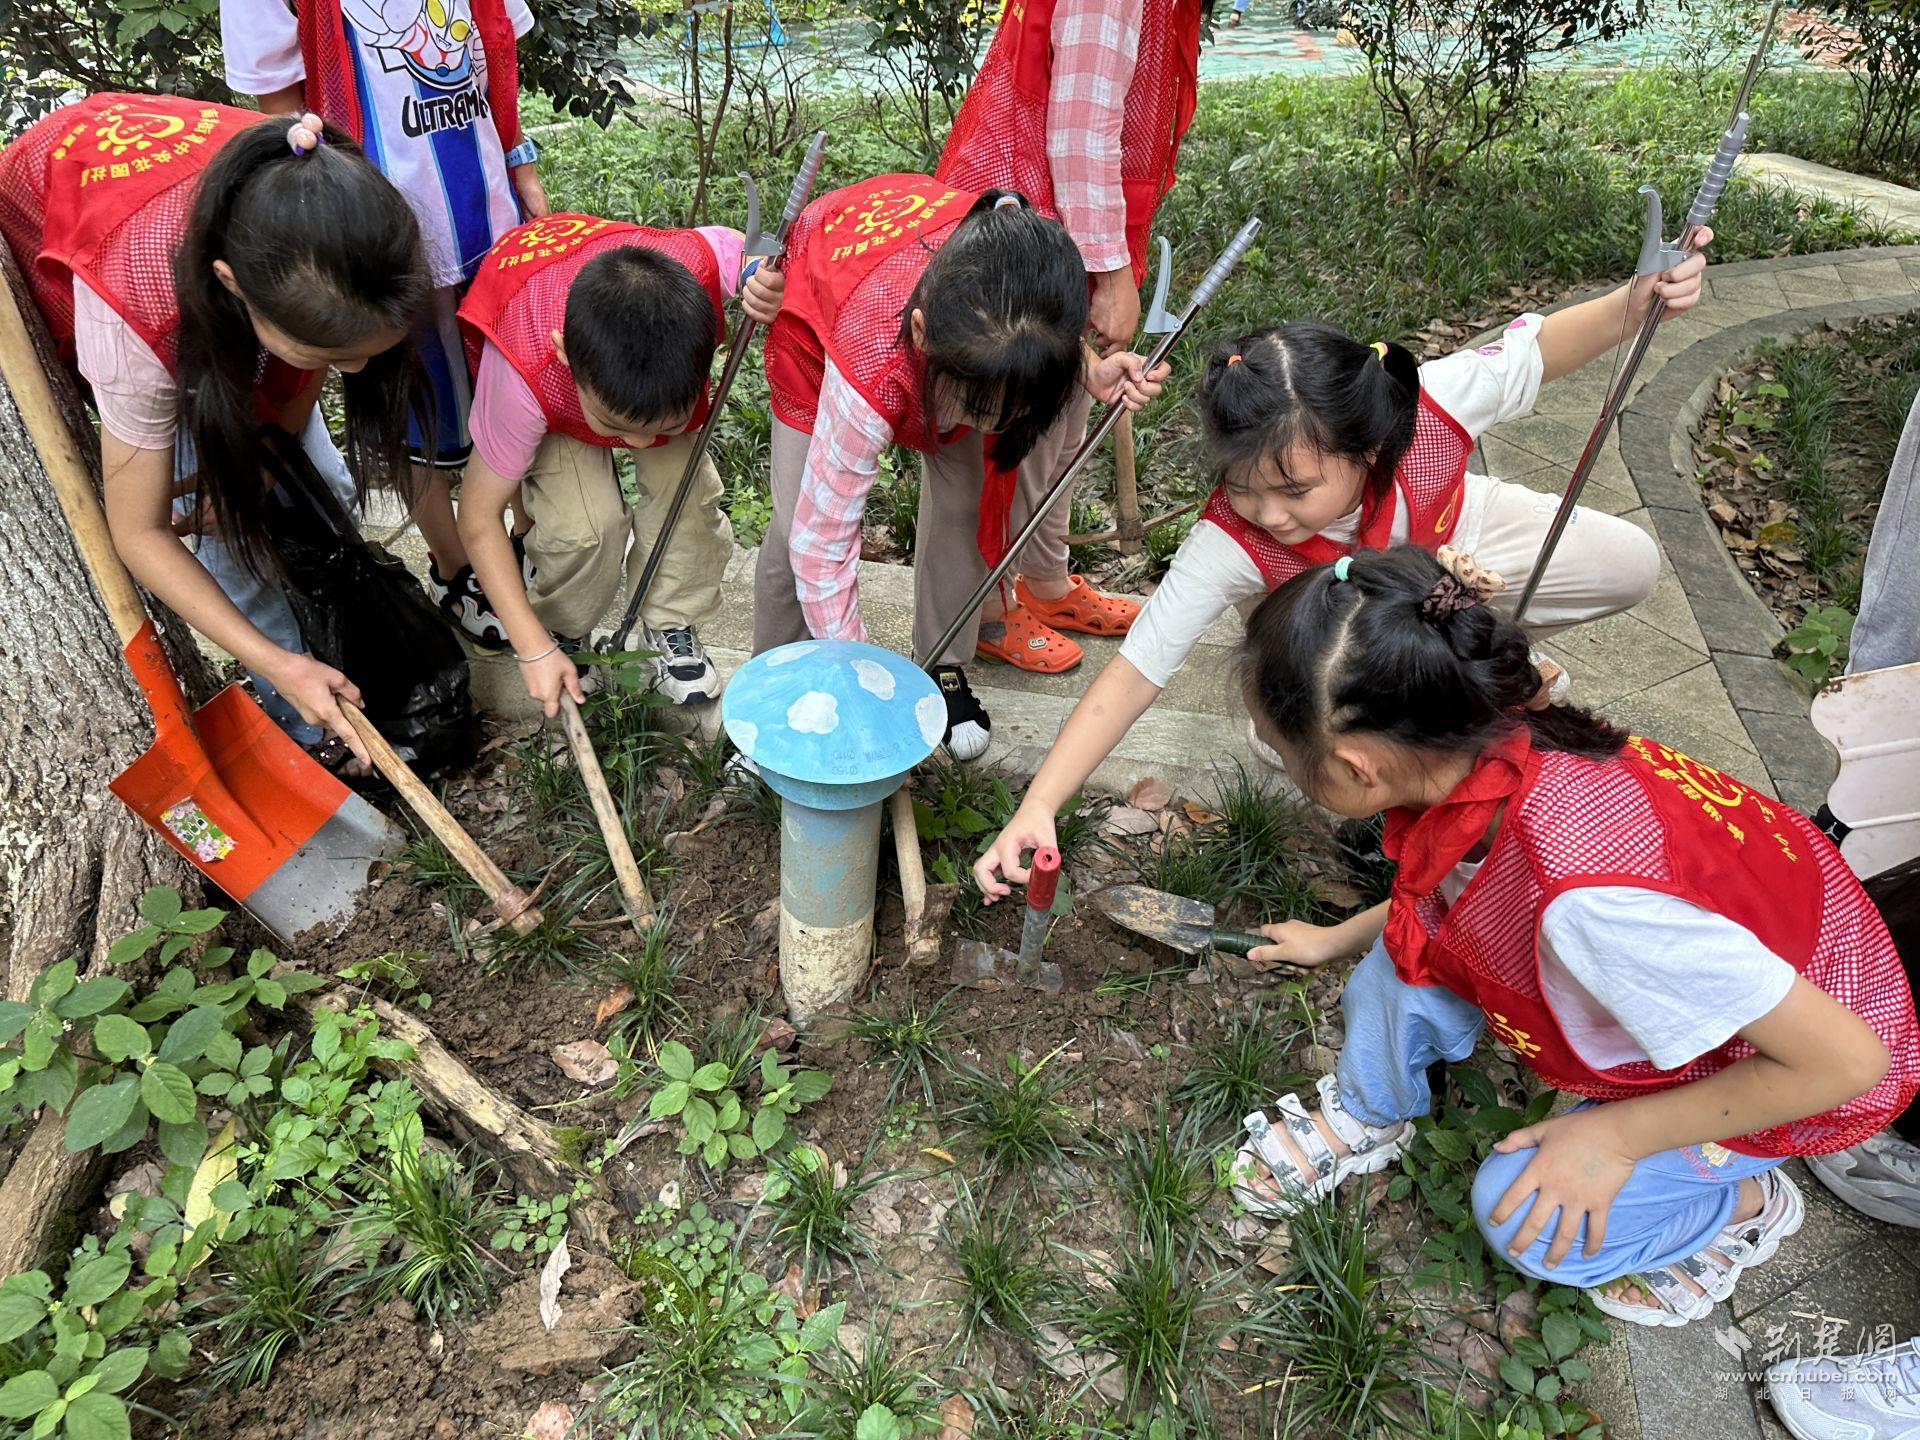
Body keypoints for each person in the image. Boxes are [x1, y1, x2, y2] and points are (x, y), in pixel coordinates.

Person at [1215, 545, 1917, 1327]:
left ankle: (1745, 1201)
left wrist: (1615, 1140)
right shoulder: (1496, 731)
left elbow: (1850, 1062)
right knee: (1414, 944)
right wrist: (1335, 938)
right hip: (1737, 966)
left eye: (1282, 754)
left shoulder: (1595, 900)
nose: (1280, 762)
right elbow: (1455, 889)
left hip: (1782, 1057)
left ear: (1359, 766)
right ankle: (1370, 1108)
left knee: (1527, 1223)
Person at [975, 242, 1715, 891]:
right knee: (1323, 746)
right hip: (1332, 625)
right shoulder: (1233, 542)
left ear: (1368, 449)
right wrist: (1039, 803)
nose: (1266, 512)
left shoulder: (1427, 410)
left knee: (1630, 564)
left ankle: (1464, 636)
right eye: (1242, 484)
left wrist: (1637, 300)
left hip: (1452, 539)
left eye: (1294, 490)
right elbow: (1133, 674)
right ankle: (1345, 689)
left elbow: (1544, 347)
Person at [0, 96, 432, 771]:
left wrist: (264, 466)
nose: (356, 372)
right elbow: (138, 533)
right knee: (233, 551)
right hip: (105, 253)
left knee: (322, 491)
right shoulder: (135, 318)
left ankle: (336, 662)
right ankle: (307, 724)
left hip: (223, 281)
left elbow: (315, 359)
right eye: (326, 355)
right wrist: (281, 664)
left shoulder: (329, 207)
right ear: (232, 286)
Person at [758, 175, 1166, 759]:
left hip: (957, 341)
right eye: (978, 411)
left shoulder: (1033, 288)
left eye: (1008, 414)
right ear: (923, 336)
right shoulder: (869, 365)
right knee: (794, 529)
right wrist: (863, 682)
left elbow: (1036, 342)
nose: (985, 427)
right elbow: (821, 546)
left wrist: (1087, 369)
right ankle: (775, 690)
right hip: (822, 314)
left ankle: (942, 663)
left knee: (964, 503)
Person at [221, 0, 546, 648]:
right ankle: (455, 569)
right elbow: (283, 112)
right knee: (406, 413)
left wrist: (523, 165)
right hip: (378, 247)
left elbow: (497, 48)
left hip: (489, 213)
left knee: (508, 398)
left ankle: (518, 547)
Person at [933, 0, 1203, 673]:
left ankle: (1045, 579)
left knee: (1069, 415)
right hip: (1029, 230)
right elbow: (1081, 130)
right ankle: (991, 608)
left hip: (1058, 223)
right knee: (1021, 429)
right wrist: (1108, 272)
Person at [455, 212, 784, 713]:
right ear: (566, 356)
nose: (640, 442)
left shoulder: (695, 267)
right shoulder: (523, 374)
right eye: (617, 428)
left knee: (687, 493)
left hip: (627, 377)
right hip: (540, 349)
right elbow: (478, 519)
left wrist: (761, 277)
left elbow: (743, 249)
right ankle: (563, 627)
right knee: (581, 528)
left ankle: (670, 619)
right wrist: (532, 647)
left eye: (661, 426)